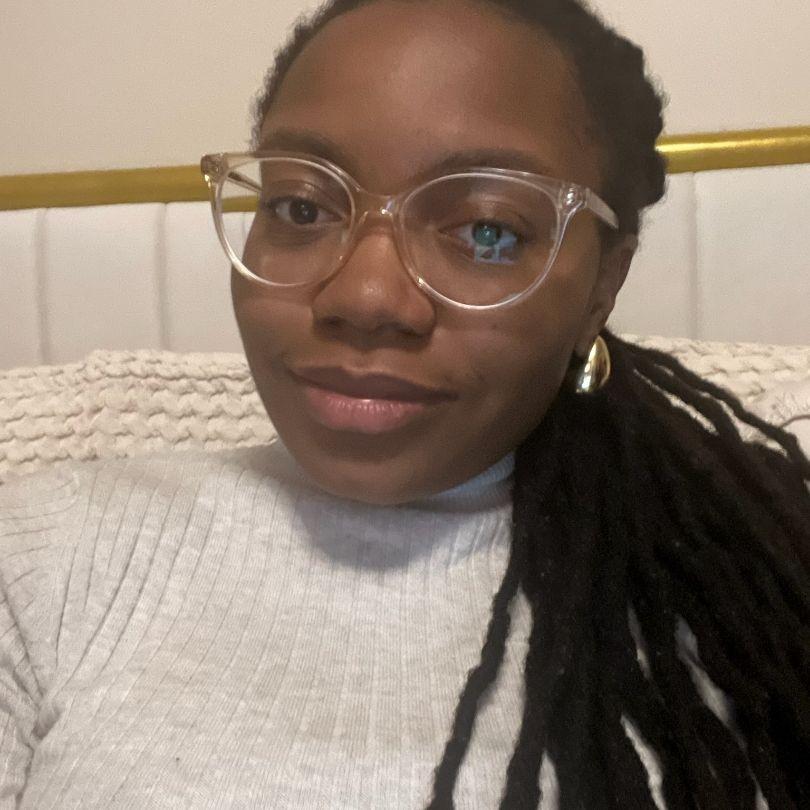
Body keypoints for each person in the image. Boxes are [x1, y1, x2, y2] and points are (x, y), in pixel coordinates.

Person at [1, 0, 808, 807]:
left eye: (487, 231)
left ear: (603, 284)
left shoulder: (758, 585)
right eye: (302, 207)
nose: (364, 296)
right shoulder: (49, 556)